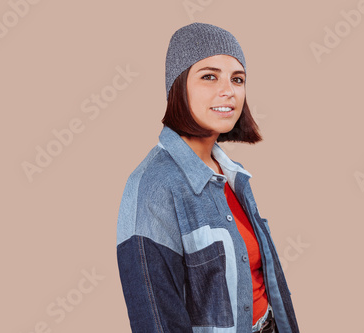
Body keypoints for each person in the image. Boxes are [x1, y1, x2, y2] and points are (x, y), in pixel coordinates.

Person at [116, 22, 300, 333]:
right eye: (209, 76)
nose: (228, 91)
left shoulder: (233, 174)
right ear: (177, 86)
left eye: (237, 79)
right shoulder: (152, 186)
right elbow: (155, 319)